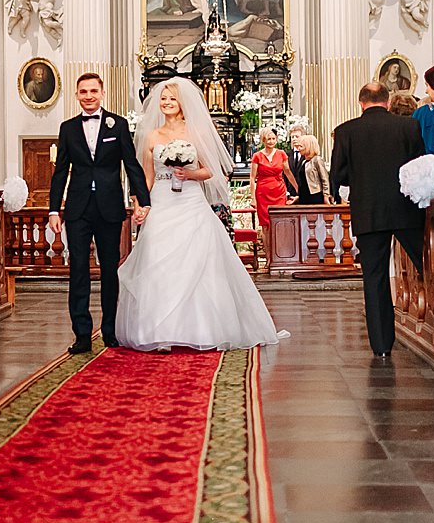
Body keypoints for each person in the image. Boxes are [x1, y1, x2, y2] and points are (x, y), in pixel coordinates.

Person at [116, 80, 285, 351]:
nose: (167, 102)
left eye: (172, 98)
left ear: (183, 103)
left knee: (197, 260)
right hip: (161, 199)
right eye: (163, 99)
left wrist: (189, 174)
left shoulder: (195, 132)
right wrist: (140, 204)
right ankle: (160, 331)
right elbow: (147, 176)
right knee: (158, 260)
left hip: (191, 200)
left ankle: (201, 328)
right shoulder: (152, 136)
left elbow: (211, 170)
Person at [48, 72, 151, 354]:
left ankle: (109, 330)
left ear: (102, 93)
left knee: (110, 270)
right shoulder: (68, 128)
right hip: (78, 208)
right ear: (77, 95)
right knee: (78, 268)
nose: (89, 96)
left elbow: (131, 164)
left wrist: (144, 200)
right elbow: (60, 173)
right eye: (83, 92)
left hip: (109, 206)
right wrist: (54, 210)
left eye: (93, 91)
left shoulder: (117, 125)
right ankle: (81, 333)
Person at [330, 81, 427, 359]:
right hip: (406, 209)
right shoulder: (408, 127)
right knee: (427, 267)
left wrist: (359, 179)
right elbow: (419, 165)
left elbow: (337, 175)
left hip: (369, 210)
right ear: (387, 101)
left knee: (374, 277)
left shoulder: (346, 131)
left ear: (361, 103)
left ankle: (382, 345)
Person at [251, 127, 297, 256]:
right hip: (263, 192)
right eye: (268, 139)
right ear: (263, 141)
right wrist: (252, 198)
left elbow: (287, 172)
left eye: (273, 139)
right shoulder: (257, 156)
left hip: (279, 191)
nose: (271, 141)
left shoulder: (281, 154)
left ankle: (281, 255)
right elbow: (252, 178)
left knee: (280, 223)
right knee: (265, 226)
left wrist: (298, 189)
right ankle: (268, 257)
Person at [294, 134, 328, 205]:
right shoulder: (304, 162)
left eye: (301, 146)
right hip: (303, 196)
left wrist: (326, 195)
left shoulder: (317, 160)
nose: (298, 149)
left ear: (308, 147)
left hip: (314, 195)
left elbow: (325, 179)